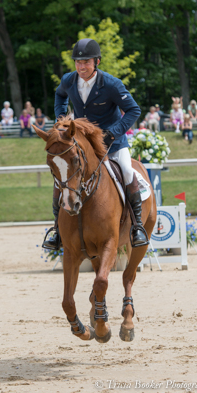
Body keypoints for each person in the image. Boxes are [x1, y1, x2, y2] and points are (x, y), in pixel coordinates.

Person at [43, 38, 148, 250]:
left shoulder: (111, 84)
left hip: (113, 142)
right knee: (62, 179)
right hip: (84, 143)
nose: (81, 67)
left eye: (86, 62)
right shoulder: (69, 80)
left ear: (97, 62)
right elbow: (59, 95)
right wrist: (61, 117)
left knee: (127, 171)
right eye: (78, 62)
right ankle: (56, 230)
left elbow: (134, 110)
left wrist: (114, 133)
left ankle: (137, 226)